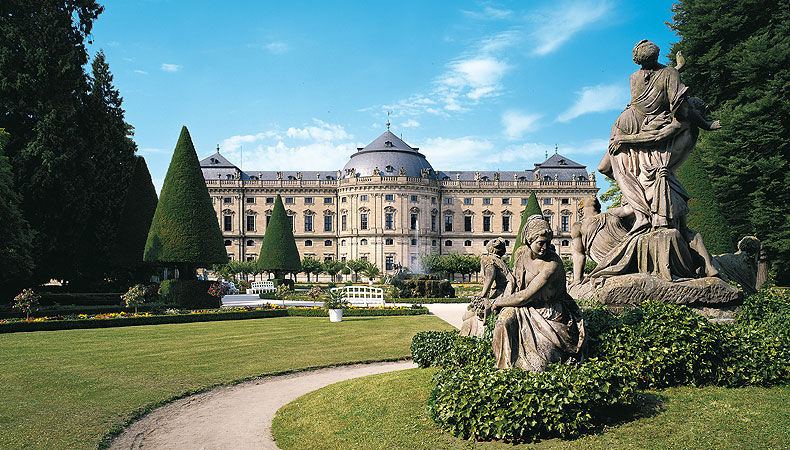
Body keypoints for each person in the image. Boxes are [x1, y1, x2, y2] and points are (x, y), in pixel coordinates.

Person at [491, 216, 585, 371]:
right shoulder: (521, 257)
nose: (545, 247)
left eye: (548, 243)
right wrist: (502, 300)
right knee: (503, 321)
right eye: (540, 243)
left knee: (540, 365)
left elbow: (525, 295)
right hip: (525, 307)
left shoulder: (552, 264)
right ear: (529, 241)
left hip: (551, 311)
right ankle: (504, 368)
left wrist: (497, 302)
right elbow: (514, 285)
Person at [460, 238, 513, 337]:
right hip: (504, 294)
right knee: (468, 316)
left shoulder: (489, 261)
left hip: (499, 296)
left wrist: (482, 295)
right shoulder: (501, 262)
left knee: (467, 318)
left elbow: (489, 279)